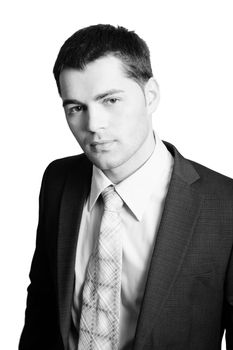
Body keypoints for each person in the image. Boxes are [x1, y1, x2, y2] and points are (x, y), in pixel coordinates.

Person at [19, 24, 233, 350]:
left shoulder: (224, 204)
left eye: (111, 100)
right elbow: (43, 305)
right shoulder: (57, 180)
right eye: (76, 107)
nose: (93, 125)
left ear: (150, 96)